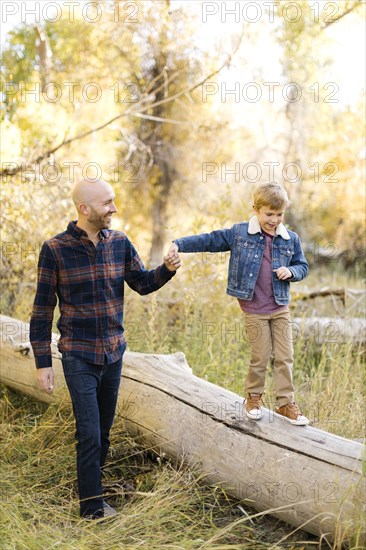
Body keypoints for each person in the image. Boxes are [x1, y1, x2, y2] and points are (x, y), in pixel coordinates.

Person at [30, 178, 181, 519]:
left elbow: (141, 283)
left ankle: (92, 489)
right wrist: (43, 362)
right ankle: (92, 509)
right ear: (84, 209)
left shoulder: (120, 243)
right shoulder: (55, 250)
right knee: (89, 434)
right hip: (78, 355)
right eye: (107, 203)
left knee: (104, 432)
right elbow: (42, 311)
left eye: (114, 201)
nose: (114, 208)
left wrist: (166, 270)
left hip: (113, 354)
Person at [168, 183, 309, 426]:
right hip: (254, 309)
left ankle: (285, 403)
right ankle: (253, 398)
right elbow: (210, 240)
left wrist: (292, 271)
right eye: (269, 214)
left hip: (280, 306)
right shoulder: (240, 233)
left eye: (279, 214)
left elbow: (303, 266)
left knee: (286, 356)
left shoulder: (290, 239)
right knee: (260, 355)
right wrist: (179, 243)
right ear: (255, 209)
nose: (274, 220)